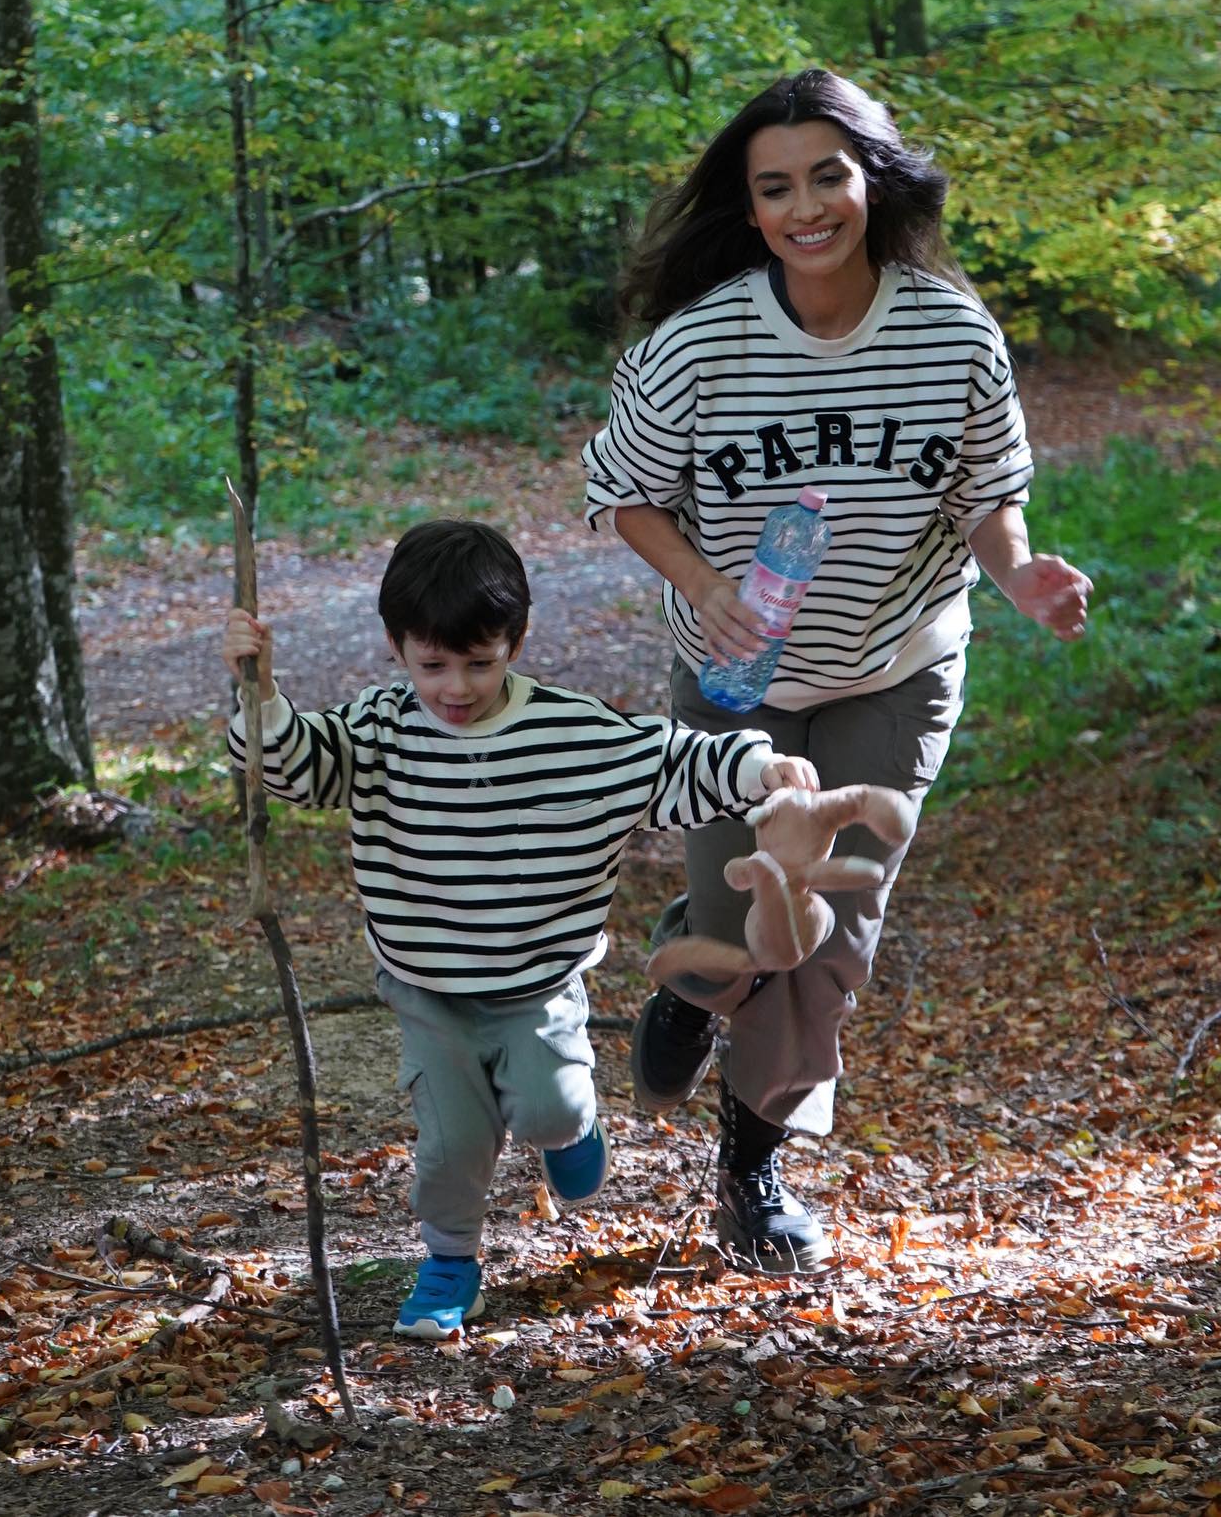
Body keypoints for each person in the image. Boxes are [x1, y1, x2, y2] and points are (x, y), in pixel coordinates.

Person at [582, 67, 1093, 1274]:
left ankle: (751, 1171)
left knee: (827, 927)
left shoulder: (951, 333)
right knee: (741, 921)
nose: (806, 205)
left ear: (873, 180)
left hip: (896, 663)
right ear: (749, 210)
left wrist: (1019, 576)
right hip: (736, 683)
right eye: (776, 187)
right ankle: (694, 965)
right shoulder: (695, 347)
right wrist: (704, 584)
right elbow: (623, 494)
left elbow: (991, 498)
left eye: (828, 174)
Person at [221, 519, 817, 1338]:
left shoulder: (573, 734)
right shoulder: (378, 730)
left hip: (536, 984)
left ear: (516, 641)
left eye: (479, 662)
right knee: (452, 1142)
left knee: (549, 1108)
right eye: (431, 664)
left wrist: (761, 768)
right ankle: (449, 1262)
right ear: (397, 647)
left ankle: (570, 1125)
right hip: (427, 989)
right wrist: (257, 691)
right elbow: (291, 762)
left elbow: (672, 760)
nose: (455, 687)